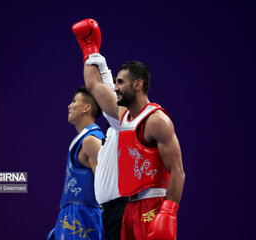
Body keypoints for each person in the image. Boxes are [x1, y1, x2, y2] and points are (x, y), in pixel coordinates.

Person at [72, 19, 186, 240]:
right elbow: (94, 86)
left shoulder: (157, 120)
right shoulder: (123, 116)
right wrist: (89, 48)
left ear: (138, 85)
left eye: (121, 83)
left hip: (153, 204)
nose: (115, 88)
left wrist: (169, 213)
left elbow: (178, 172)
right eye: (115, 82)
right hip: (130, 207)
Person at [71, 19, 128, 240]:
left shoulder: (127, 123)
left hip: (122, 209)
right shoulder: (116, 127)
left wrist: (90, 50)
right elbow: (106, 92)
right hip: (111, 211)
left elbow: (96, 87)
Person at [47, 87, 105, 240]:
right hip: (70, 214)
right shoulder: (83, 140)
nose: (69, 106)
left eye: (74, 102)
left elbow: (105, 187)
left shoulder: (92, 141)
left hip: (83, 216)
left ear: (87, 108)